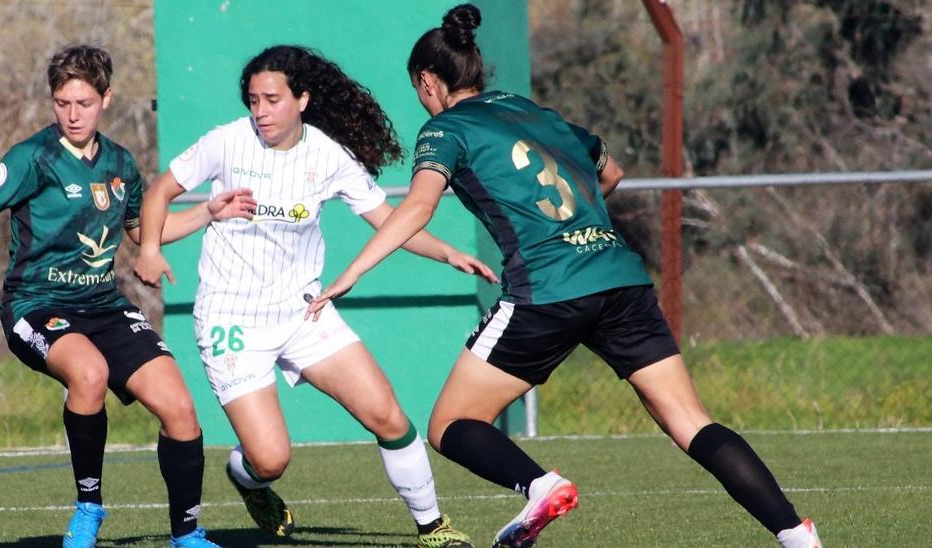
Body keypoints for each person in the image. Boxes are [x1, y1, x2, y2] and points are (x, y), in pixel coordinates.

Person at [309, 5, 824, 548]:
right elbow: (613, 173)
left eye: (419, 90)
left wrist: (352, 273)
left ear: (428, 82)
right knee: (691, 421)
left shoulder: (445, 129)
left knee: (451, 425)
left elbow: (416, 209)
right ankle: (796, 535)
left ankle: (541, 485)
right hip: (619, 279)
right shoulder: (542, 115)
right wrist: (577, 224)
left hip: (547, 290)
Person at [134, 45, 498, 548]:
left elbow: (390, 223)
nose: (260, 111)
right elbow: (159, 192)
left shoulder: (328, 156)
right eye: (253, 100)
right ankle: (247, 479)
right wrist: (150, 248)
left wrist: (448, 254)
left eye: (271, 99)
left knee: (387, 414)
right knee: (270, 459)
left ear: (302, 99)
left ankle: (433, 527)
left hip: (304, 311)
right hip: (232, 320)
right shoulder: (226, 142)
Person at [0, 44, 256, 548]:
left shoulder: (119, 163)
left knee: (179, 406)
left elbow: (141, 233)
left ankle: (187, 534)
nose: (72, 114)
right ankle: (89, 507)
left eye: (83, 103)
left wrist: (208, 213)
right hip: (35, 306)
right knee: (89, 373)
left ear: (105, 99)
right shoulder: (32, 158)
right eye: (63, 103)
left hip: (104, 306)